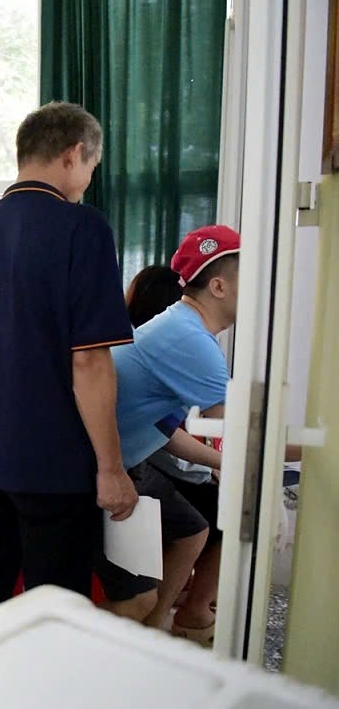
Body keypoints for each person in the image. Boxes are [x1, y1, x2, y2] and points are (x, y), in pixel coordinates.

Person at [0, 102, 139, 619]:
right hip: (53, 463)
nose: (89, 180)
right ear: (74, 154)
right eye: (92, 167)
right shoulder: (82, 230)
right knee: (55, 604)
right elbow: (90, 363)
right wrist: (111, 468)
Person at [109, 227, 242, 640]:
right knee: (134, 600)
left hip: (123, 462)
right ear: (218, 286)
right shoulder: (191, 341)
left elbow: (164, 425)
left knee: (194, 529)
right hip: (90, 467)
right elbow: (250, 432)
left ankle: (160, 634)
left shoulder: (182, 328)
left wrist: (228, 460)